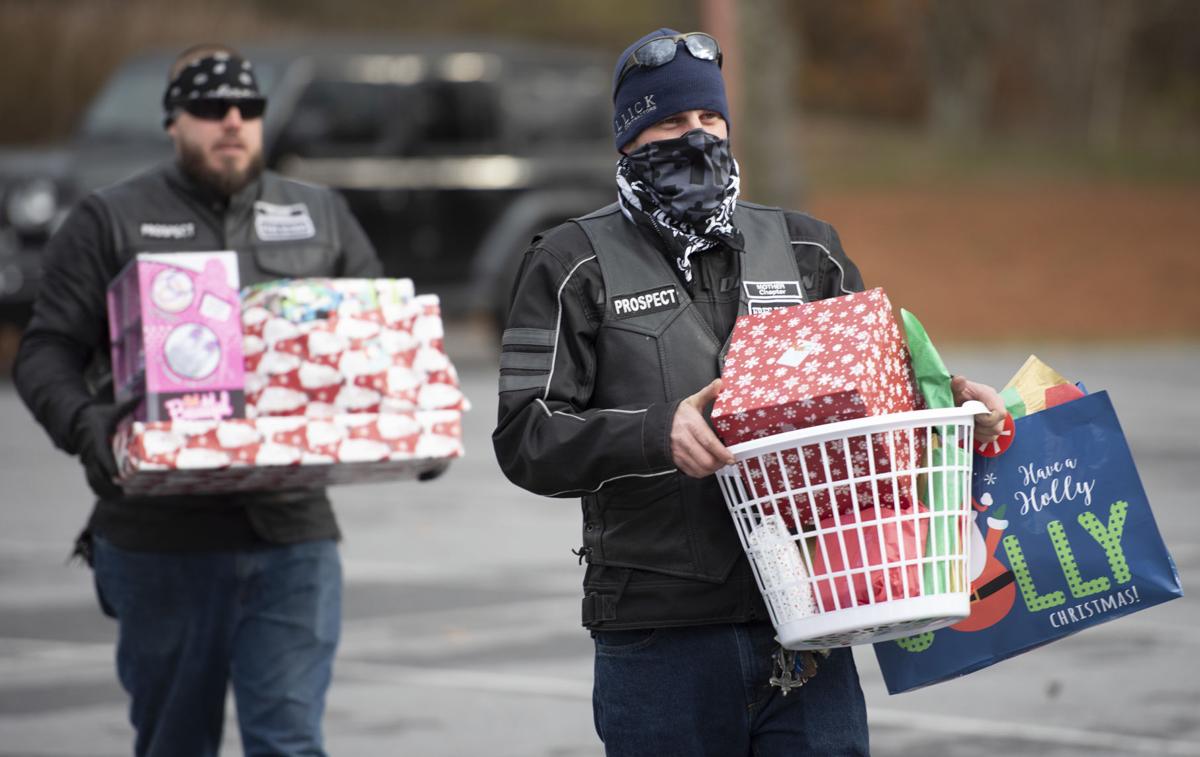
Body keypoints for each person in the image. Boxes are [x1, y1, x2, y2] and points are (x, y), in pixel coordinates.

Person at [493, 28, 1007, 756]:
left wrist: (956, 408)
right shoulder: (571, 261)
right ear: (629, 139)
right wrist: (654, 432)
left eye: (710, 122)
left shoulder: (807, 248)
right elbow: (525, 437)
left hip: (814, 620)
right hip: (659, 637)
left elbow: (883, 409)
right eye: (670, 123)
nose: (695, 138)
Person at [13, 44, 382, 757]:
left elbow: (373, 342)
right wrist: (88, 426)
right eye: (211, 108)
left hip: (292, 534)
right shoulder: (108, 220)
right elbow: (46, 351)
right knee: (175, 743)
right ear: (173, 120)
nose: (233, 120)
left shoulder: (319, 215)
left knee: (290, 742)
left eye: (249, 107)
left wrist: (406, 429)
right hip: (160, 537)